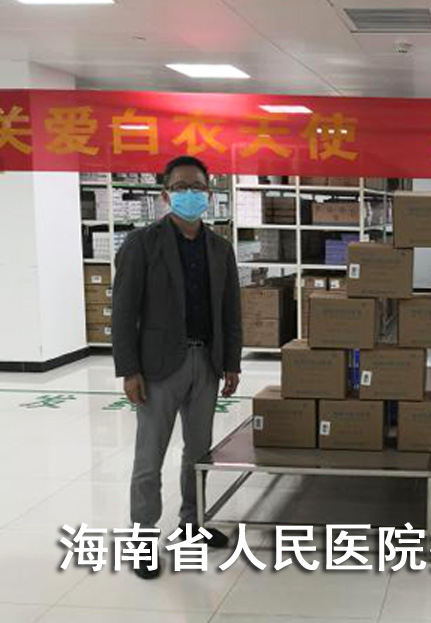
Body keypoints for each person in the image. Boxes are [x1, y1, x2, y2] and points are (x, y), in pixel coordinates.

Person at [112, 155, 242, 579]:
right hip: (158, 366)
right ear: (166, 195)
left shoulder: (220, 249)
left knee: (199, 453)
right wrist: (129, 369)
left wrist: (231, 362)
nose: (191, 194)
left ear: (209, 194)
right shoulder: (142, 245)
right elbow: (124, 311)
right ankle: (143, 538)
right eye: (181, 187)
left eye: (198, 187)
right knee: (149, 456)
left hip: (206, 362)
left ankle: (192, 523)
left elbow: (231, 311)